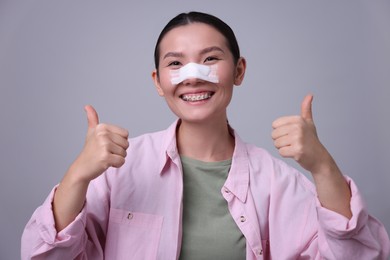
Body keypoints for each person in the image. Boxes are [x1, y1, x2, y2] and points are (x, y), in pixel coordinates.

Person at [21, 11, 389, 260]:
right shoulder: (118, 169)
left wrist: (323, 166)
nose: (192, 76)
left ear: (239, 70)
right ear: (158, 82)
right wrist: (78, 175)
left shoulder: (277, 183)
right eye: (175, 63)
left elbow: (361, 254)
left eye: (210, 58)